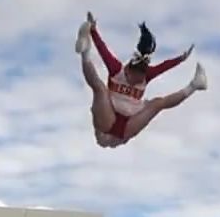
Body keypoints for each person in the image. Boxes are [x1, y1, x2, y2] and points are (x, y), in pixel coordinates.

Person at [75, 15, 208, 148]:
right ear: (128, 70)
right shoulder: (116, 69)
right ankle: (85, 51)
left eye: (139, 80)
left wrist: (181, 59)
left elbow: (164, 66)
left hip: (129, 124)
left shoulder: (146, 75)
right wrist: (93, 30)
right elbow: (103, 49)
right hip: (108, 117)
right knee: (99, 88)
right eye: (133, 79)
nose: (135, 82)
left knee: (158, 103)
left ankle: (195, 85)